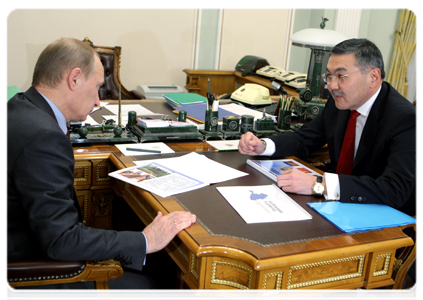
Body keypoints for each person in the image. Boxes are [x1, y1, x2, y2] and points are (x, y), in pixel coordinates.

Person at [5, 38, 196, 300]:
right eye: (96, 88)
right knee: (157, 290)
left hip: (23, 241)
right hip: (24, 274)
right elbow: (61, 241)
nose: (97, 101)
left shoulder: (18, 108)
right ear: (74, 78)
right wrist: (145, 240)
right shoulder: (42, 137)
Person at [238, 38, 419, 299]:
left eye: (341, 76)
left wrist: (318, 184)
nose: (332, 86)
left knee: (326, 250)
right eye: (329, 77)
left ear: (373, 76)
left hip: (389, 215)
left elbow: (396, 189)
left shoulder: (404, 119)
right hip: (345, 202)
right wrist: (263, 145)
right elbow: (304, 139)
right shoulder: (340, 104)